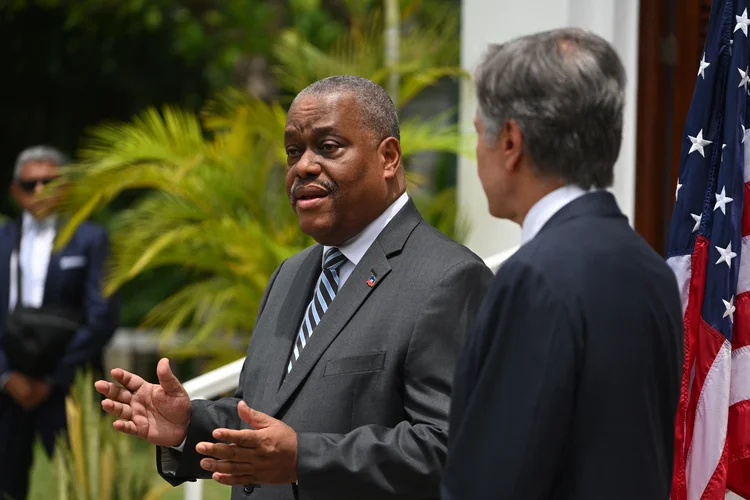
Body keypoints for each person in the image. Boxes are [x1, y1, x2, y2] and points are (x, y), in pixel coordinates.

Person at [95, 76, 494, 500]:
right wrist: (186, 426)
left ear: (389, 157)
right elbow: (266, 413)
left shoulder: (448, 278)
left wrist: (304, 459)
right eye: (293, 151)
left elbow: (453, 449)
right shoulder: (290, 275)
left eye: (328, 147)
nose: (302, 166)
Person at [441, 28, 684, 500]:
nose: (477, 150)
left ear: (510, 140)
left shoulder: (535, 277)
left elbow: (493, 480)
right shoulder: (651, 269)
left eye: (477, 131)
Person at [0, 145, 120, 499]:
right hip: (8, 387)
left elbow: (102, 316)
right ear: (15, 190)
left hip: (70, 383)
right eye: (30, 184)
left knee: (83, 485)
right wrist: (7, 374)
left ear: (65, 186)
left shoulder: (90, 238)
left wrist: (53, 378)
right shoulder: (3, 239)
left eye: (48, 182)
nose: (39, 191)